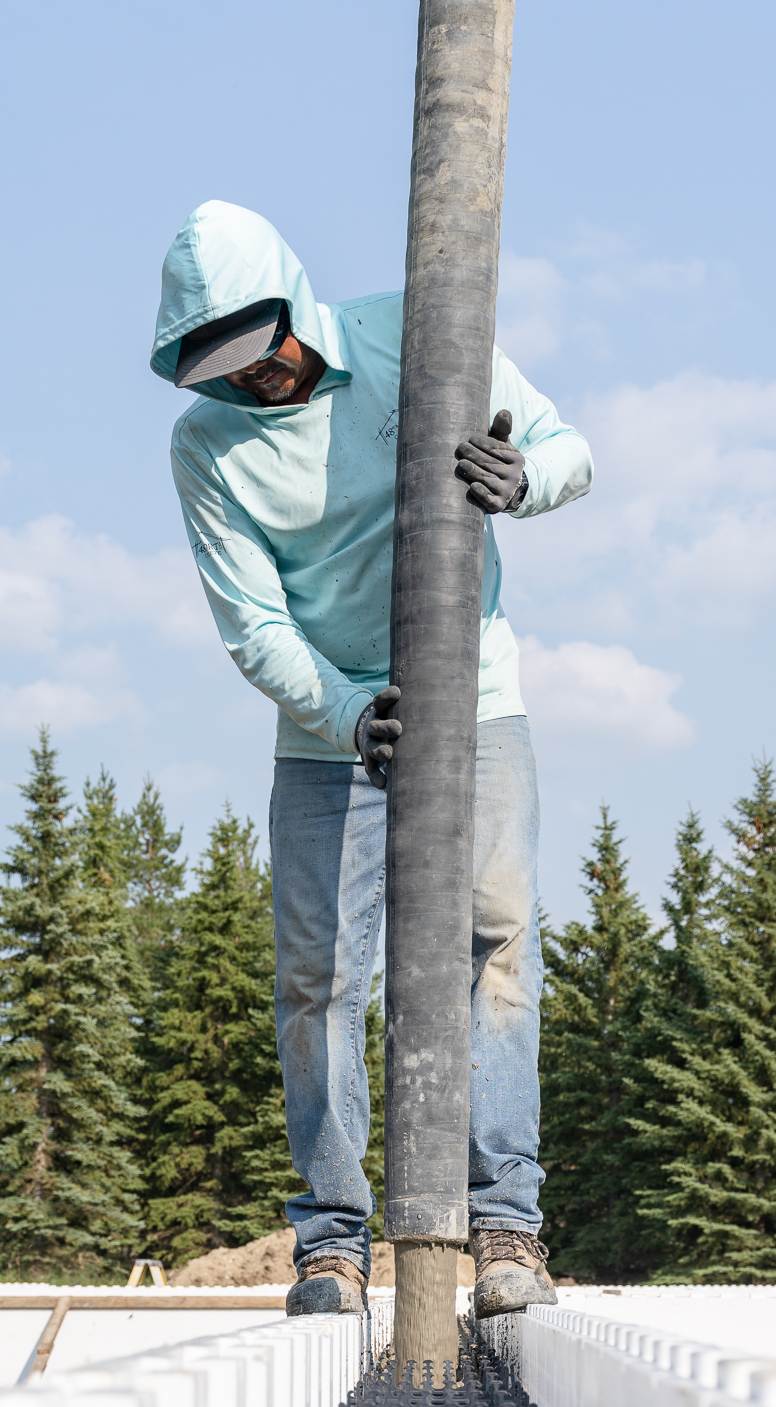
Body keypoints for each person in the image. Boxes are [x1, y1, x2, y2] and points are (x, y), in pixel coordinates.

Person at [151, 202, 592, 1319]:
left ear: (295, 304)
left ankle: (507, 1228)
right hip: (329, 726)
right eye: (222, 366)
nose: (252, 379)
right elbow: (254, 624)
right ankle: (332, 1244)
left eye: (261, 350)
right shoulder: (206, 447)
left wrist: (522, 479)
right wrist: (347, 712)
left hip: (474, 698)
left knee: (496, 948)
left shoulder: (414, 333)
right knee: (319, 977)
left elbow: (569, 450)